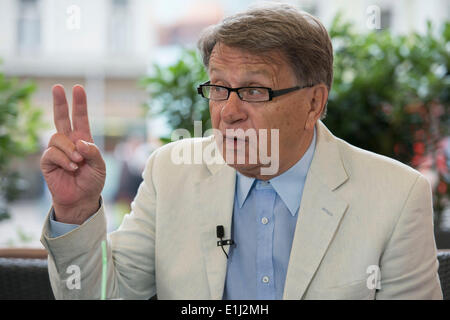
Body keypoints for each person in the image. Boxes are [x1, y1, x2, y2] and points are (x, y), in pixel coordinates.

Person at [39, 3, 442, 299]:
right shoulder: (171, 172)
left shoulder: (395, 195)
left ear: (314, 103)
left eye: (253, 90)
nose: (228, 112)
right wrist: (75, 214)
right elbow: (106, 296)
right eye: (218, 88)